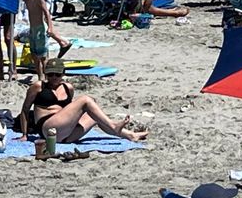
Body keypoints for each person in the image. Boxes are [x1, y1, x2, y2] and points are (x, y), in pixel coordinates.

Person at [19, 57, 149, 143]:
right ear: (46, 74)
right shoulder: (38, 86)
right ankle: (114, 126)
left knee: (95, 115)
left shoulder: (67, 88)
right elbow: (25, 109)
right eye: (50, 74)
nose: (53, 78)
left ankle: (130, 135)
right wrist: (25, 135)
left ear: (63, 74)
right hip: (49, 130)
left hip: (66, 135)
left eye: (57, 75)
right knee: (86, 100)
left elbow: (70, 113)